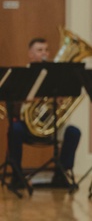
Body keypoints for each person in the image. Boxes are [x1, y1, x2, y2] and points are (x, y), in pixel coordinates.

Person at [6, 38, 81, 189]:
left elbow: (63, 103)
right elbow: (12, 102)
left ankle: (61, 173)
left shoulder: (56, 77)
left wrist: (60, 101)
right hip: (27, 124)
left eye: (46, 50)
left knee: (73, 132)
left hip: (50, 124)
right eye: (39, 50)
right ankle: (17, 175)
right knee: (15, 130)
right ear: (30, 54)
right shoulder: (22, 76)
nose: (44, 53)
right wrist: (27, 100)